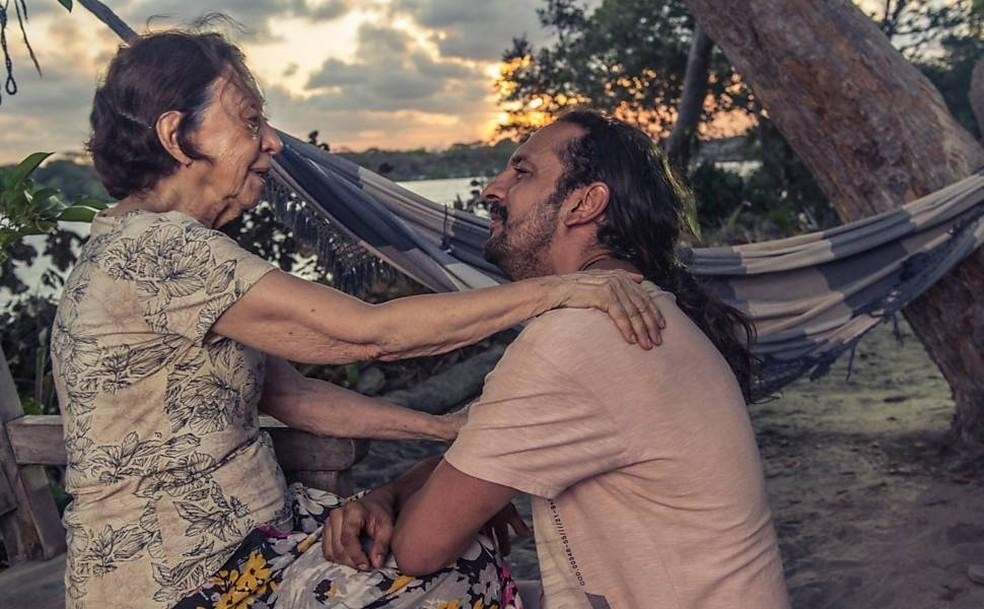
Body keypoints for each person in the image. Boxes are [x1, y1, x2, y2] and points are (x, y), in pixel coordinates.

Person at [50, 29, 667, 609]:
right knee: (450, 562)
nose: (272, 143)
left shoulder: (153, 247)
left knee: (442, 536)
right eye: (250, 121)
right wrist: (561, 291)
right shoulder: (161, 250)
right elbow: (374, 335)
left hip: (249, 548)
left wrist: (443, 428)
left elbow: (292, 396)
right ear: (177, 135)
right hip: (181, 576)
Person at [322, 110, 791, 609]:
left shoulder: (578, 337)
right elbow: (480, 460)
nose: (492, 190)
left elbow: (419, 547)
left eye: (521, 172)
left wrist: (387, 498)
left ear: (585, 204)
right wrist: (395, 491)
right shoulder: (646, 311)